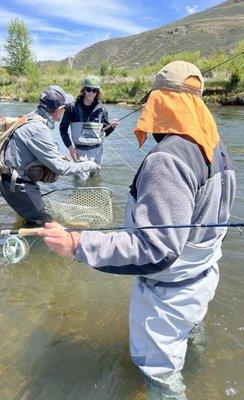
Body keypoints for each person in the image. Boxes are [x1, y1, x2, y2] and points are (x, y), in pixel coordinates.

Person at [38, 61, 236, 399]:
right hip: (203, 280)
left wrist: (77, 243)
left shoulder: (167, 159)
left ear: (161, 103)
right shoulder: (219, 148)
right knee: (189, 335)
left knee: (160, 380)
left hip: (167, 298)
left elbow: (153, 249)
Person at [0, 85, 100, 225]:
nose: (65, 111)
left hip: (10, 182)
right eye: (64, 108)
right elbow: (60, 168)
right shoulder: (38, 129)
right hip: (18, 186)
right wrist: (89, 165)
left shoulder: (32, 117)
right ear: (59, 110)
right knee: (48, 225)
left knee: (30, 220)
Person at [59, 75, 119, 180]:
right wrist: (70, 148)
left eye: (94, 90)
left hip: (97, 151)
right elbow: (63, 129)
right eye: (88, 89)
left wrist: (112, 127)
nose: (91, 93)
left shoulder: (102, 109)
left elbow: (103, 132)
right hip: (79, 152)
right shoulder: (72, 107)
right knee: (80, 181)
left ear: (98, 92)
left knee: (94, 180)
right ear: (83, 90)